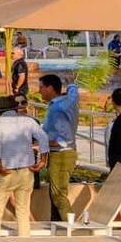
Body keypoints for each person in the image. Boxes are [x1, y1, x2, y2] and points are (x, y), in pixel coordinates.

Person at [0, 95, 48, 237]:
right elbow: (43, 137)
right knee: (23, 210)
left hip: (7, 170)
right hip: (27, 170)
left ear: (0, 110)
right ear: (15, 107)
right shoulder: (28, 121)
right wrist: (43, 160)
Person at [37, 73, 80, 222]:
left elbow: (63, 140)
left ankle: (72, 228)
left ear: (50, 88)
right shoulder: (69, 101)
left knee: (58, 195)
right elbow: (74, 95)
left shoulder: (58, 108)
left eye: (41, 87)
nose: (39, 91)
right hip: (65, 154)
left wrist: (39, 145)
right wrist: (71, 84)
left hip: (61, 155)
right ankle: (57, 226)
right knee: (54, 193)